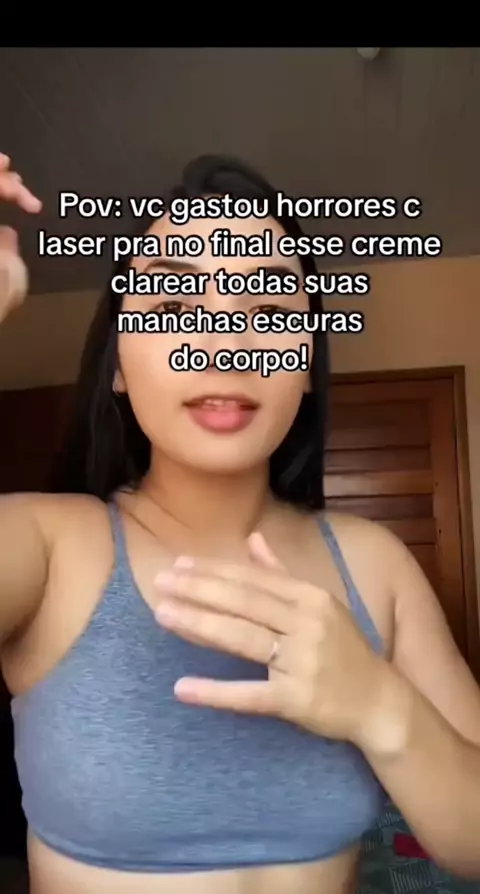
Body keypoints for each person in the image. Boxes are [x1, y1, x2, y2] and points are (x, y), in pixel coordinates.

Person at [0, 151, 480, 894]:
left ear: (306, 362)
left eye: (273, 310)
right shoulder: (46, 544)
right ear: (118, 364)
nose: (225, 345)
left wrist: (382, 706)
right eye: (171, 306)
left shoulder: (376, 564)